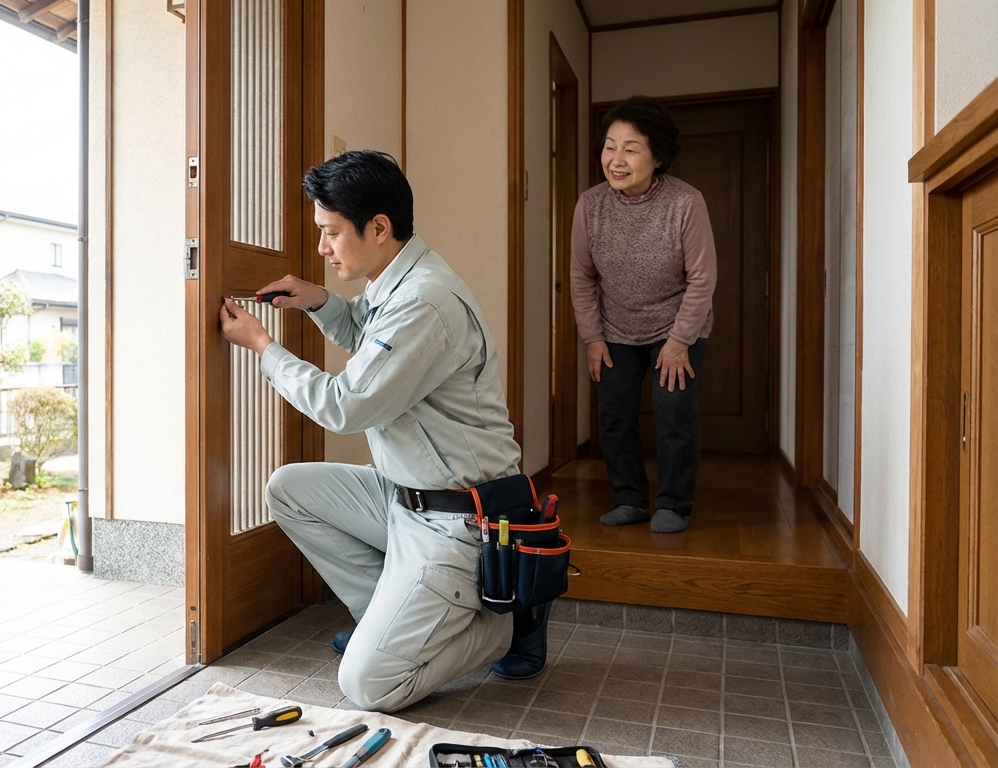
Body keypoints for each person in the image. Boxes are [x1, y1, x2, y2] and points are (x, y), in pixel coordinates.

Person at [217, 150, 550, 713]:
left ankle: (502, 625)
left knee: (367, 685)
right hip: (404, 496)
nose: (322, 247)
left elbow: (347, 405)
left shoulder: (424, 300)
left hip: (457, 519)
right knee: (289, 489)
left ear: (379, 228)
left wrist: (264, 349)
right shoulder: (396, 277)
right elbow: (374, 339)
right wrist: (320, 303)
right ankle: (392, 623)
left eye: (330, 232)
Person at [570, 96, 717, 534]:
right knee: (613, 414)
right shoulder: (589, 205)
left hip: (677, 327)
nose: (616, 159)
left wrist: (678, 341)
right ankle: (629, 499)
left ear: (657, 157)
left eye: (631, 149)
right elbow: (581, 277)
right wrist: (592, 337)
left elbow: (703, 279)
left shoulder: (685, 203)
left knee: (673, 411)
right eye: (610, 146)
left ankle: (674, 503)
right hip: (614, 327)